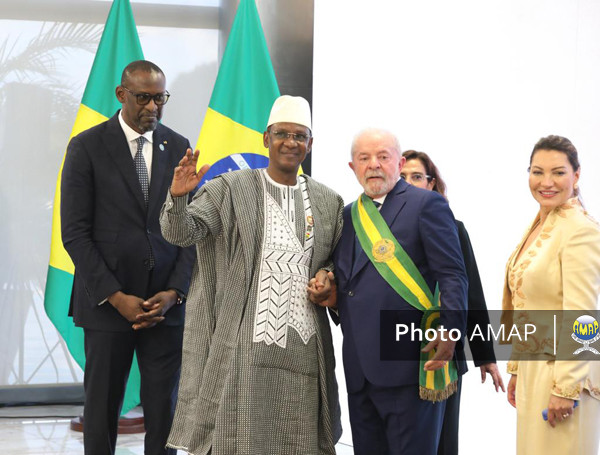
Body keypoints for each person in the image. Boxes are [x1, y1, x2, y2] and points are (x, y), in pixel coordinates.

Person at [160, 95, 343, 455]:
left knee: (299, 442)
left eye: (299, 136)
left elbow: (338, 261)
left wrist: (329, 275)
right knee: (240, 440)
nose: (290, 142)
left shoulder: (328, 201)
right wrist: (178, 198)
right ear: (265, 138)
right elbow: (182, 233)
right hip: (244, 346)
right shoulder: (230, 188)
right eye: (281, 134)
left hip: (304, 348)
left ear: (310, 143)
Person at [61, 60, 195, 455]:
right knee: (101, 411)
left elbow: (191, 232)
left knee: (165, 413)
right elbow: (75, 233)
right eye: (143, 98)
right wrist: (116, 297)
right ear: (122, 95)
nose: (152, 107)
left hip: (163, 307)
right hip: (106, 304)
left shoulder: (178, 145)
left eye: (160, 98)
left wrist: (175, 292)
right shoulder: (87, 146)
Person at [326, 128, 468, 455]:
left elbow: (452, 274)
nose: (373, 165)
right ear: (353, 167)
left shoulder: (425, 204)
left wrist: (450, 330)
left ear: (399, 162)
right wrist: (329, 293)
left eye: (383, 157)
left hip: (409, 363)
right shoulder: (348, 215)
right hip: (360, 368)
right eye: (364, 158)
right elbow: (349, 286)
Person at [401, 150, 505, 455]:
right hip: (392, 353)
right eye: (402, 176)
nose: (409, 182)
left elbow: (471, 291)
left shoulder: (452, 228)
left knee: (442, 444)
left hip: (444, 353)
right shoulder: (381, 235)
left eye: (417, 176)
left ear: (432, 184)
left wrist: (485, 354)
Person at [503, 135, 600, 454]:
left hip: (563, 375)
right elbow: (525, 305)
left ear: (577, 175)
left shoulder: (580, 230)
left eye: (558, 172)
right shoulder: (542, 225)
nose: (546, 182)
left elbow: (584, 316)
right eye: (537, 171)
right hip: (535, 371)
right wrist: (517, 369)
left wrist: (567, 389)